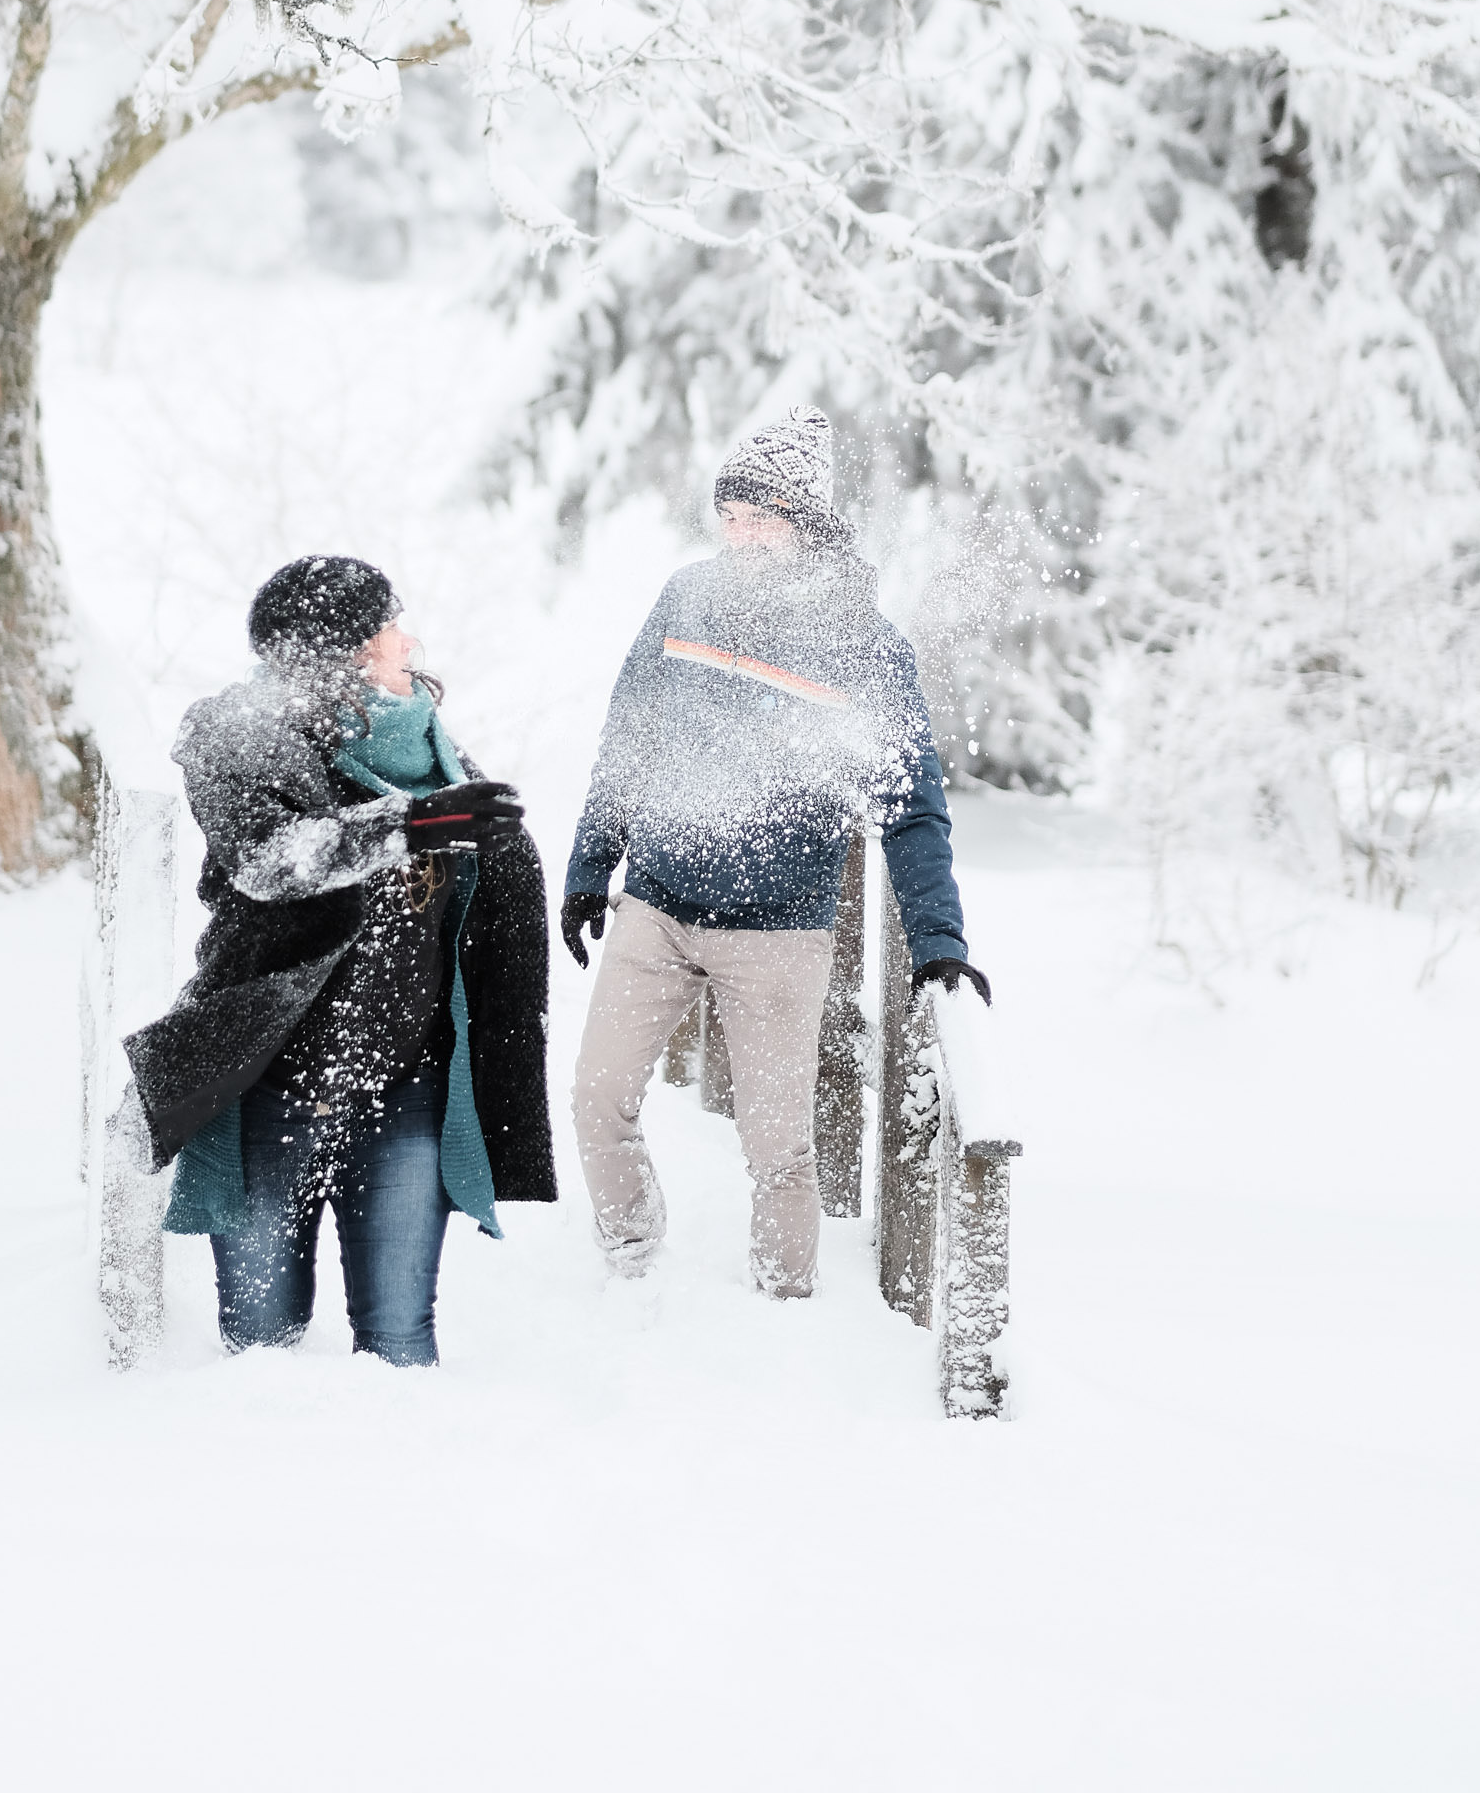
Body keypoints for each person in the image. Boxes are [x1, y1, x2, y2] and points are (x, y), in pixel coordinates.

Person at [560, 406, 988, 1302]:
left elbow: (912, 812)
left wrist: (941, 944)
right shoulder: (685, 599)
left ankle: (784, 1310)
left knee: (779, 1151)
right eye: (733, 515)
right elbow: (627, 735)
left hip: (779, 937)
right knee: (598, 1099)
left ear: (808, 522)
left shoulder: (861, 645)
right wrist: (591, 866)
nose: (744, 536)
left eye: (765, 517)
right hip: (659, 906)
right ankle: (630, 1269)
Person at [123, 555, 556, 1367]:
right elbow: (269, 860)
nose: (410, 639)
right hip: (270, 1082)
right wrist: (408, 828)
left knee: (400, 1343)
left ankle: (403, 1486)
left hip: (406, 1083)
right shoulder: (240, 739)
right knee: (260, 1343)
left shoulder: (428, 744)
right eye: (392, 626)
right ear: (352, 648)